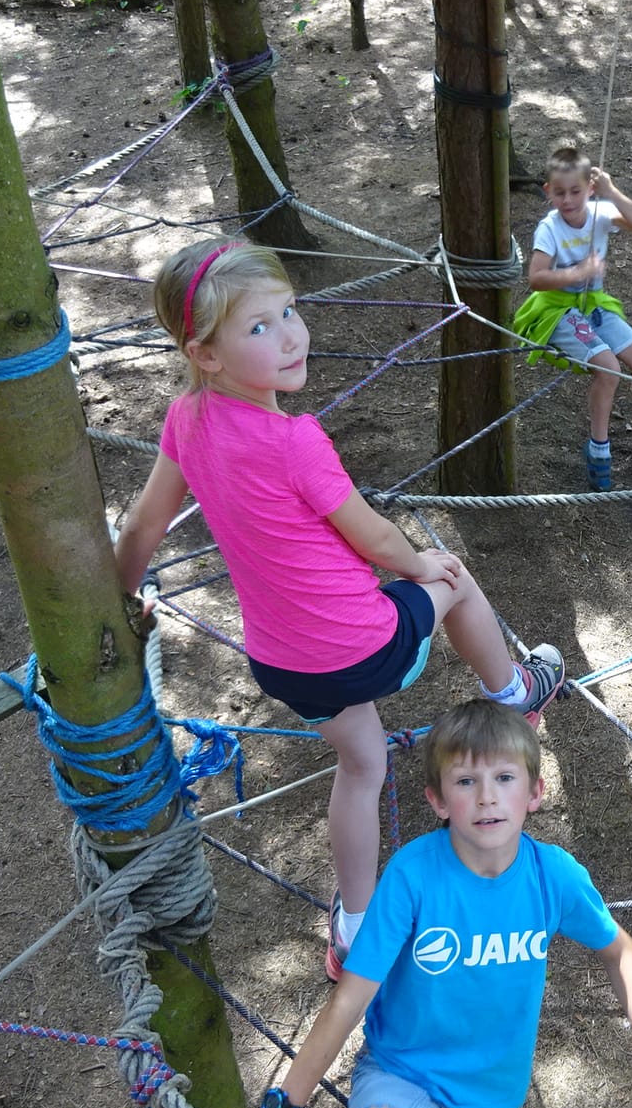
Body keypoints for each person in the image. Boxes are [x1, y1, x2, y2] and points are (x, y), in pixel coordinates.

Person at [114, 239, 568, 980]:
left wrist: (121, 595)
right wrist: (424, 565)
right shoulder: (296, 439)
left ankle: (354, 928)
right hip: (364, 647)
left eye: (289, 311)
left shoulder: (185, 420)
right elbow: (375, 534)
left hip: (284, 665)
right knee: (454, 576)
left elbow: (142, 527)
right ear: (206, 353)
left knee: (361, 763)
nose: (291, 333)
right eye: (259, 327)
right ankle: (515, 693)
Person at [213, 700, 632, 1108]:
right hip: (402, 1068)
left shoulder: (554, 877)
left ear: (535, 793)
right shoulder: (413, 877)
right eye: (466, 781)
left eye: (504, 779)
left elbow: (621, 952)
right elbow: (347, 1001)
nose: (487, 797)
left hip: (486, 1093)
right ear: (438, 800)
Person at [511, 144, 632, 492]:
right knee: (609, 367)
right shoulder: (549, 228)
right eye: (561, 193)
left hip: (592, 305)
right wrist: (576, 273)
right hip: (557, 309)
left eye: (576, 192)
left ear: (590, 189)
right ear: (548, 192)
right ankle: (598, 449)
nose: (569, 200)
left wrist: (611, 191)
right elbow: (536, 279)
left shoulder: (599, 213)